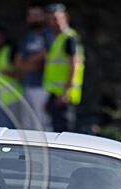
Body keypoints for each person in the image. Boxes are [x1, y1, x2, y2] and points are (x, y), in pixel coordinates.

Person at [42, 3, 84, 133]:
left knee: (65, 134)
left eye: (55, 18)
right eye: (49, 19)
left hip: (65, 96)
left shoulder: (69, 38)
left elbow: (74, 66)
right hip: (55, 93)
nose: (52, 22)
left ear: (65, 18)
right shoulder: (57, 39)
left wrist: (65, 93)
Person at [17, 5, 54, 130]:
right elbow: (18, 62)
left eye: (37, 16)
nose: (34, 19)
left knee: (43, 123)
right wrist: (31, 62)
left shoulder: (49, 35)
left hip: (43, 86)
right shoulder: (27, 37)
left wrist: (28, 61)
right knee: (27, 125)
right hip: (27, 85)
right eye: (31, 16)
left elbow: (45, 57)